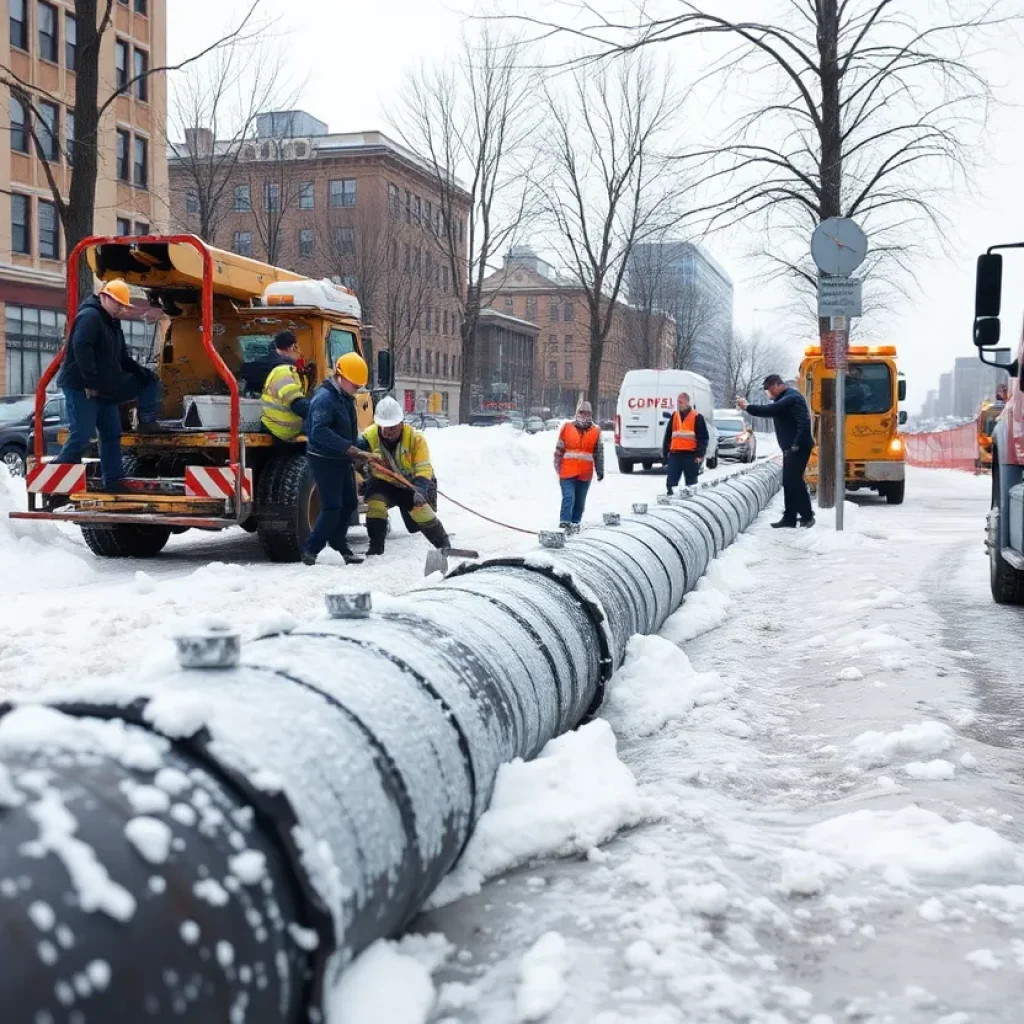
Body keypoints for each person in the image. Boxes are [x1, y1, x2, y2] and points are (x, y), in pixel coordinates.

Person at [52, 279, 163, 493]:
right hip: (82, 387)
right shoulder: (90, 317)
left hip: (103, 389)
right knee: (81, 435)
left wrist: (140, 371)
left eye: (123, 306)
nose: (121, 309)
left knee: (111, 434)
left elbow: (121, 357)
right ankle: (54, 476)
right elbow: (82, 349)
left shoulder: (112, 323)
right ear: (104, 296)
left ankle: (113, 481)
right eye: (118, 304)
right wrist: (91, 384)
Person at [356, 396, 451, 556]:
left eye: (392, 427)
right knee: (376, 505)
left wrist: (420, 488)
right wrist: (361, 480)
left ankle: (444, 546)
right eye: (384, 427)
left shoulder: (415, 439)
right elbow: (356, 463)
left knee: (421, 512)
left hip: (408, 484)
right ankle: (375, 548)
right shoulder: (368, 438)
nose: (388, 432)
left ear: (401, 423)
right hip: (383, 483)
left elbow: (424, 467)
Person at [302, 352, 372, 566]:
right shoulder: (324, 400)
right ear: (341, 377)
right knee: (332, 507)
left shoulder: (344, 398)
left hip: (340, 458)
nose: (357, 389)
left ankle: (338, 545)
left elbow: (347, 431)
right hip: (324, 459)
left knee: (349, 503)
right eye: (355, 385)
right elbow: (319, 432)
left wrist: (361, 448)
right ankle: (311, 550)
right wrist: (349, 449)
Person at [738, 374, 815, 529]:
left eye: (770, 390)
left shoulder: (791, 398)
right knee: (789, 482)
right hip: (791, 448)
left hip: (798, 447)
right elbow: (771, 410)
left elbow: (800, 421)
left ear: (778, 385)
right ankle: (790, 517)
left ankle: (806, 515)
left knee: (793, 481)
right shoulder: (784, 399)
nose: (769, 394)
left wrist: (747, 407)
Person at [554, 401, 604, 532]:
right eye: (582, 412)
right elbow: (559, 448)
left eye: (588, 413)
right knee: (569, 497)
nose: (584, 415)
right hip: (567, 472)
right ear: (577, 412)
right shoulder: (567, 427)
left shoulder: (596, 431)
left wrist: (600, 471)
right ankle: (564, 523)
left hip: (585, 474)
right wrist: (557, 465)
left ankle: (575, 523)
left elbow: (598, 453)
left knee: (580, 502)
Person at [256, 332, 310, 441]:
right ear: (292, 347)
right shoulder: (286, 370)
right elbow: (296, 403)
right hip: (280, 430)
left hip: (269, 423)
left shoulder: (260, 363)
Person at [662, 391, 709, 493]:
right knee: (671, 482)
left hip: (690, 455)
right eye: (678, 401)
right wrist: (665, 455)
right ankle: (671, 500)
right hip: (675, 455)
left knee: (691, 483)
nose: (679, 403)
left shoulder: (697, 416)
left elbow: (703, 438)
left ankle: (691, 503)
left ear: (688, 401)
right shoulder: (674, 416)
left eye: (681, 400)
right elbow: (667, 437)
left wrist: (700, 454)